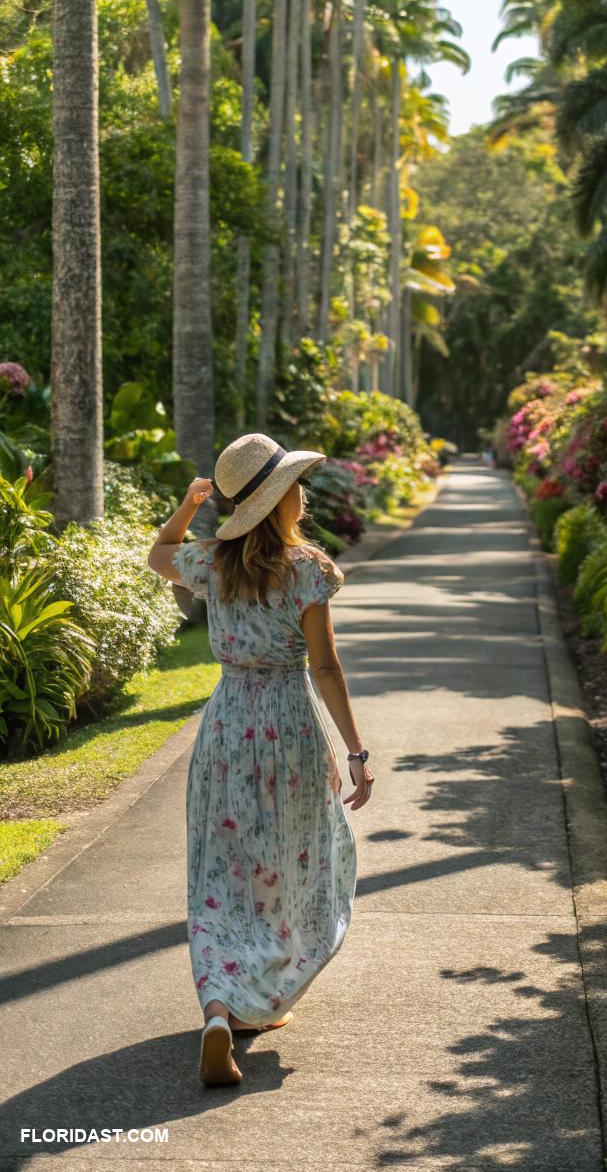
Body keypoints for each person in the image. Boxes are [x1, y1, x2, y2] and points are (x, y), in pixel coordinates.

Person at [147, 432, 372, 1088]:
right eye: (294, 485)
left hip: (226, 731)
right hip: (288, 729)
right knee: (291, 863)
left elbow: (157, 554)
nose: (303, 493)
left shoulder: (211, 561)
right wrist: (355, 751)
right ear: (278, 502)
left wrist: (188, 508)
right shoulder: (308, 570)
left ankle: (220, 1010)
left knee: (222, 873)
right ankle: (263, 992)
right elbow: (325, 667)